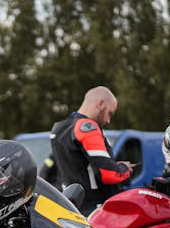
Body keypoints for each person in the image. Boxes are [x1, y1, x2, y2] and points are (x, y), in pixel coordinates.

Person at [49, 86, 133, 215]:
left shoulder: (58, 129)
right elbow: (108, 173)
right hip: (96, 210)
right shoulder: (87, 127)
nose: (108, 121)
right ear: (100, 104)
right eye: (109, 113)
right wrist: (124, 168)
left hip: (72, 208)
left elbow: (47, 171)